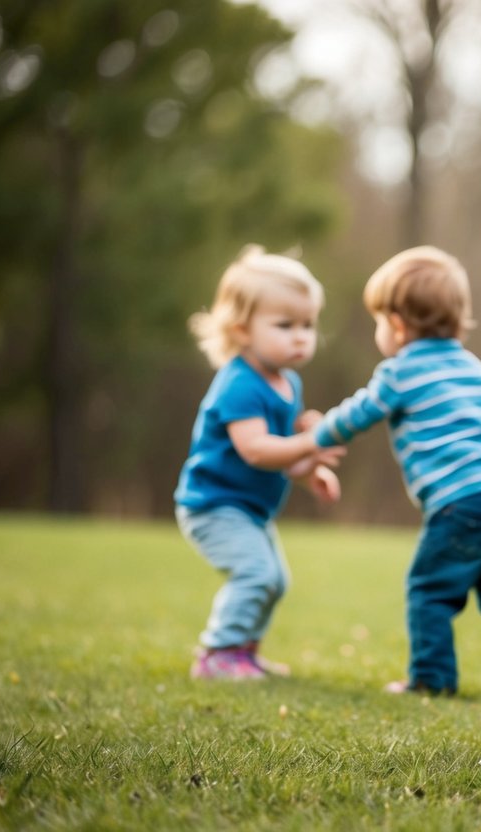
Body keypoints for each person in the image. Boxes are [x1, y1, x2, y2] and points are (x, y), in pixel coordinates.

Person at [300, 245, 481, 695]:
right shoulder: (479, 371)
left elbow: (359, 414)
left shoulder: (400, 372)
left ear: (396, 325)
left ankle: (432, 678)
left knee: (429, 589)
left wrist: (316, 435)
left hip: (462, 500)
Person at [175, 245, 343, 681]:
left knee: (275, 580)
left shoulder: (288, 382)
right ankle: (217, 654)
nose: (301, 335)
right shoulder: (239, 383)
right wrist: (310, 443)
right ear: (242, 330)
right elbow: (256, 450)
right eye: (285, 325)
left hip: (249, 508)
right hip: (213, 505)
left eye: (307, 324)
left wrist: (311, 472)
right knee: (256, 573)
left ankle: (244, 653)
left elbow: (282, 457)